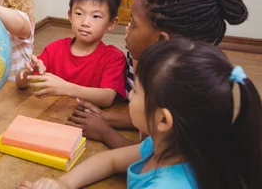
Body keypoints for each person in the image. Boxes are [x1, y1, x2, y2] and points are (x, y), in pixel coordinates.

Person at [17, 39, 262, 189]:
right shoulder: (168, 146)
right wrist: (63, 184)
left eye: (136, 91)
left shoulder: (167, 185)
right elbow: (109, 161)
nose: (129, 97)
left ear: (163, 119)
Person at [68, 0, 249, 149]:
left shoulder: (173, 88)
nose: (127, 28)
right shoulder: (163, 71)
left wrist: (105, 133)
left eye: (133, 22)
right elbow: (148, 122)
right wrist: (105, 117)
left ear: (161, 39)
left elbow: (151, 158)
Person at [16, 0, 125, 108]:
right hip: (53, 115)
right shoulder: (54, 49)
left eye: (95, 16)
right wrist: (27, 71)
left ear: (111, 23)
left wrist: (65, 88)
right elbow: (21, 84)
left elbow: (107, 98)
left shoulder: (113, 57)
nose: (85, 22)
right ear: (70, 16)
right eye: (79, 13)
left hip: (87, 121)